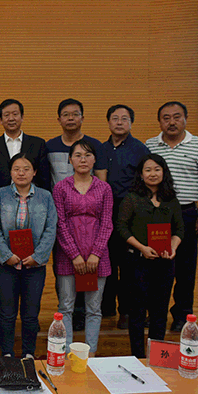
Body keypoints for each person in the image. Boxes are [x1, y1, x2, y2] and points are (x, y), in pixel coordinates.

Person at [146, 101, 198, 333]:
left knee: (185, 269)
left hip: (186, 213)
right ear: (160, 122)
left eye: (177, 117)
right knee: (155, 267)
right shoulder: (150, 145)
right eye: (166, 118)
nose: (171, 122)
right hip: (156, 215)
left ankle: (182, 315)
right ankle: (155, 313)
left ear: (185, 119)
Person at [46, 98, 108, 332]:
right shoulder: (50, 147)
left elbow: (102, 183)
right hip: (64, 228)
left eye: (75, 114)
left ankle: (86, 329)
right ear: (59, 119)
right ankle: (69, 330)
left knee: (93, 300)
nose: (71, 118)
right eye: (66, 114)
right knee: (65, 291)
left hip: (93, 232)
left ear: (83, 117)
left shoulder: (95, 146)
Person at [0, 153, 58, 357]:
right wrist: (6, 254)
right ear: (10, 172)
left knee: (30, 315)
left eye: (26, 169)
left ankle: (28, 353)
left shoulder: (45, 196)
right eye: (16, 169)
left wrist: (38, 256)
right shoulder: (0, 195)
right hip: (7, 265)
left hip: (35, 266)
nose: (21, 173)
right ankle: (7, 354)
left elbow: (51, 228)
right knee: (6, 314)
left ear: (34, 172)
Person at [116, 154, 184, 358]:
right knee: (137, 312)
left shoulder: (171, 199)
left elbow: (179, 229)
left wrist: (173, 247)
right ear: (140, 174)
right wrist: (142, 248)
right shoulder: (132, 198)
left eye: (157, 169)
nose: (152, 174)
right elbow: (121, 227)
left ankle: (157, 357)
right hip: (137, 262)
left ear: (164, 172)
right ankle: (138, 357)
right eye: (148, 170)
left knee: (160, 312)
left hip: (165, 263)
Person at [52, 139, 113, 355]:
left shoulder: (104, 188)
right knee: (66, 307)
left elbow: (107, 223)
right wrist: (74, 255)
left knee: (94, 309)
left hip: (98, 257)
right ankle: (67, 353)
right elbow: (59, 223)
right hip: (67, 256)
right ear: (70, 160)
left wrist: (96, 253)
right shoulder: (60, 188)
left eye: (87, 155)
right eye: (78, 155)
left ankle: (90, 353)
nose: (83, 160)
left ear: (95, 159)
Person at [100, 105, 150, 329]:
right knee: (107, 260)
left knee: (129, 265)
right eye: (115, 118)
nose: (119, 122)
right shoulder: (101, 149)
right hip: (105, 210)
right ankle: (106, 306)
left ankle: (127, 312)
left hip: (130, 211)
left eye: (124, 118)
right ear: (108, 122)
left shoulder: (140, 149)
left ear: (131, 122)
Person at [0, 99, 49, 190]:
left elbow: (44, 176)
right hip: (1, 196)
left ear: (22, 117)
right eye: (6, 115)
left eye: (15, 114)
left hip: (32, 195)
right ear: (0, 119)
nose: (11, 118)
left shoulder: (38, 144)